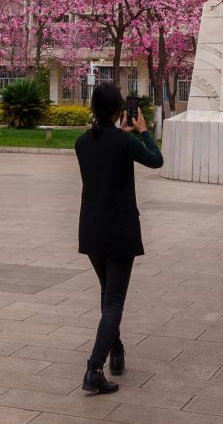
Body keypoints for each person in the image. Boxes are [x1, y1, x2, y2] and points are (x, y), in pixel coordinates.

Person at [74, 82, 163, 395]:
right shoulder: (124, 143)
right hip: (120, 230)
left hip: (92, 229)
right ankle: (93, 368)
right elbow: (156, 160)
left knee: (106, 294)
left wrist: (123, 135)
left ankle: (117, 350)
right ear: (118, 110)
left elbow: (104, 150)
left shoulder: (82, 143)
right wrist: (143, 131)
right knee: (113, 301)